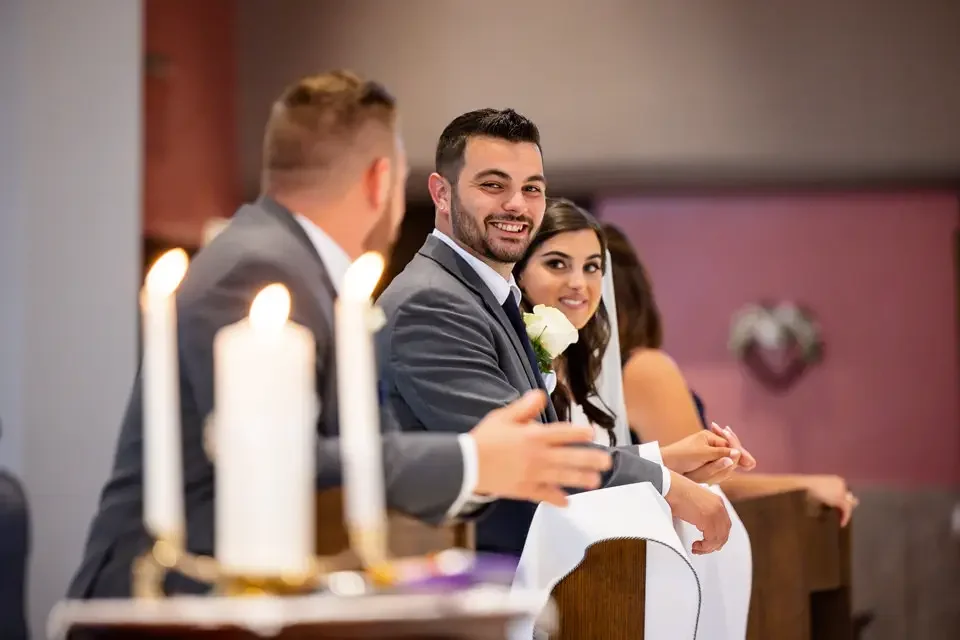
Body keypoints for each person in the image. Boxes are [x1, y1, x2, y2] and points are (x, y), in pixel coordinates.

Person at [66, 72, 614, 600]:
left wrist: (475, 465)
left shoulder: (287, 261)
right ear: (381, 180)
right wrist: (471, 459)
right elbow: (283, 457)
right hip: (172, 594)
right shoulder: (259, 269)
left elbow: (353, 456)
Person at [375, 108, 732, 559]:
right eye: (493, 185)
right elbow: (527, 456)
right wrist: (666, 483)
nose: (517, 206)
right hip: (469, 578)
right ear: (441, 194)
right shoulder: (432, 302)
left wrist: (666, 461)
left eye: (532, 189)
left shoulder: (489, 296)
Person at [604, 222, 858, 525]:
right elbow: (702, 481)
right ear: (635, 290)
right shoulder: (643, 369)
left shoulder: (609, 370)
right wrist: (806, 486)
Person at [514, 197, 746, 486]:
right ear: (519, 273)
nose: (578, 283)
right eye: (557, 264)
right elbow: (544, 468)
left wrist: (706, 463)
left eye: (591, 267)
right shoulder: (510, 361)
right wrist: (669, 458)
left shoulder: (588, 368)